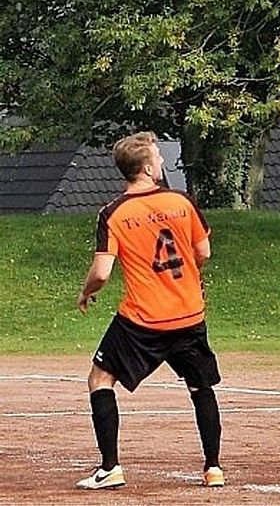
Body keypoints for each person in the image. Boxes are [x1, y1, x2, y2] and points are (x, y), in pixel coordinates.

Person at [74, 131, 224, 490]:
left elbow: (102, 272)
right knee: (200, 387)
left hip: (143, 320)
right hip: (189, 313)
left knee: (99, 379)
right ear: (145, 168)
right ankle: (213, 468)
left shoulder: (113, 213)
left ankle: (110, 467)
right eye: (157, 157)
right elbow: (202, 253)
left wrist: (87, 292)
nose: (161, 162)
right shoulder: (182, 202)